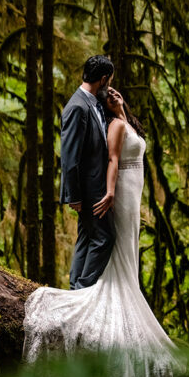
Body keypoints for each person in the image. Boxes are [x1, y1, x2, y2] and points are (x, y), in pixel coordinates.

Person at [22, 74, 177, 377]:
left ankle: (123, 291)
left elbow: (133, 146)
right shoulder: (112, 127)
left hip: (132, 195)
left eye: (115, 95)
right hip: (121, 194)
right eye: (110, 94)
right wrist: (109, 192)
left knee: (127, 254)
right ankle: (93, 293)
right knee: (116, 253)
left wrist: (122, 108)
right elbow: (112, 161)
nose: (113, 98)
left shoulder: (121, 118)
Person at [59, 55, 116, 289]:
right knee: (104, 239)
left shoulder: (92, 102)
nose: (110, 85)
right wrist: (75, 196)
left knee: (86, 238)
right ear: (103, 79)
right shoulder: (77, 107)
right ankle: (83, 290)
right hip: (88, 190)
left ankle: (75, 289)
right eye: (109, 81)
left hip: (94, 187)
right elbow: (69, 157)